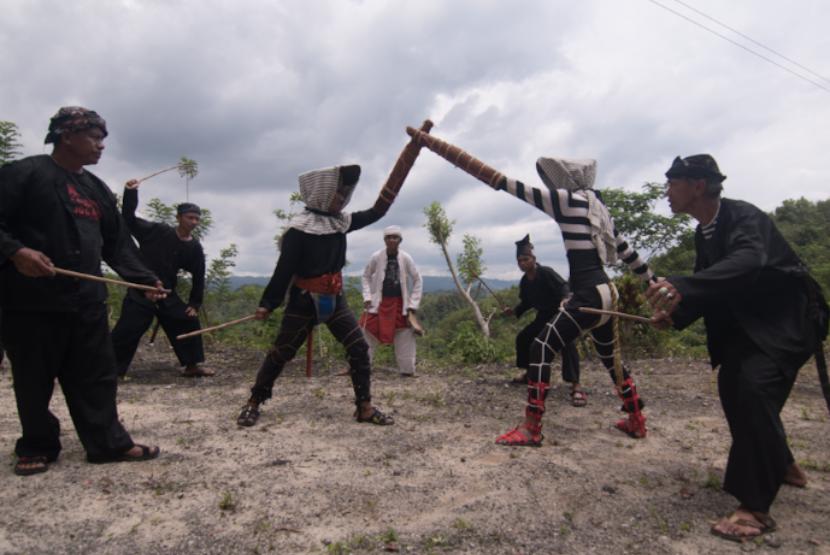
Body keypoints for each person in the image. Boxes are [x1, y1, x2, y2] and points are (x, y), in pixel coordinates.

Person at [406, 127, 654, 445]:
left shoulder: (566, 201)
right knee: (611, 360)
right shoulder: (597, 209)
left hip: (588, 295)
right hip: (608, 292)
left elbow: (508, 186)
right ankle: (636, 419)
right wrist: (654, 283)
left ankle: (531, 428)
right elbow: (627, 252)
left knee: (540, 348)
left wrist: (443, 150)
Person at [647, 154, 828, 543]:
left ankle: (755, 508)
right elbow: (712, 287)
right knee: (734, 386)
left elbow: (749, 261)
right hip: (753, 326)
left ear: (697, 185)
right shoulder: (704, 233)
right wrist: (676, 316)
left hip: (787, 322)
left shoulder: (745, 218)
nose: (666, 192)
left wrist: (682, 284)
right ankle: (782, 465)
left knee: (751, 387)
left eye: (672, 183)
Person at [0, 106, 164, 476]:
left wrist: (143, 278)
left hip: (86, 302)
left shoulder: (95, 189)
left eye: (102, 138)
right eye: (93, 137)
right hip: (29, 301)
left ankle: (107, 443)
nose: (100, 145)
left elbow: (117, 244)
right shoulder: (23, 174)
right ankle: (37, 444)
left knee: (97, 374)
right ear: (66, 136)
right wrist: (16, 252)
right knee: (33, 376)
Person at [236, 164, 394, 428]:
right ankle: (253, 402)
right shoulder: (298, 231)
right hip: (303, 300)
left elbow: (376, 212)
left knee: (358, 347)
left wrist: (396, 182)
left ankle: (364, 407)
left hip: (335, 298)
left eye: (345, 195)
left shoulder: (341, 223)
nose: (342, 200)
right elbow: (284, 271)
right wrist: (268, 304)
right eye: (338, 194)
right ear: (321, 193)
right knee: (281, 352)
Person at [110, 180, 212, 377]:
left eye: (197, 219)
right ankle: (111, 370)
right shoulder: (157, 231)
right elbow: (128, 220)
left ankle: (192, 366)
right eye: (190, 217)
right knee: (127, 330)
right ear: (179, 217)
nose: (194, 222)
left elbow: (199, 275)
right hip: (141, 289)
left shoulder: (193, 247)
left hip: (166, 293)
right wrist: (130, 193)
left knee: (187, 319)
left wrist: (194, 303)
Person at [505, 235, 586, 407]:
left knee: (567, 344)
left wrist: (566, 298)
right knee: (524, 338)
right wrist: (515, 311)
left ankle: (575, 385)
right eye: (519, 261)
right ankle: (529, 373)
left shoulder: (546, 272)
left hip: (560, 314)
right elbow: (526, 302)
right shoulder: (525, 281)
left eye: (525, 259)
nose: (522, 263)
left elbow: (564, 287)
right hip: (543, 317)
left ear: (533, 259)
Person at [360, 225, 423, 377]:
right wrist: (367, 296)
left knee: (406, 334)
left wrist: (413, 304)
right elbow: (366, 276)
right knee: (365, 329)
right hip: (378, 303)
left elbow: (417, 279)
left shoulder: (406, 257)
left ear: (400, 240)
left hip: (400, 304)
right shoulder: (376, 256)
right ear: (384, 240)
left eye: (395, 237)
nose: (392, 240)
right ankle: (360, 367)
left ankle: (407, 371)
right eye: (389, 237)